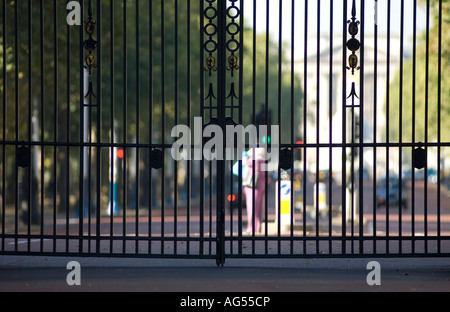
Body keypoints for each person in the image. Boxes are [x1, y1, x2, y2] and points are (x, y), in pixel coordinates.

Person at [243, 148, 266, 234]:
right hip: (260, 184)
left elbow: (243, 162)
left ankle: (251, 227)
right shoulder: (262, 161)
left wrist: (246, 155)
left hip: (252, 186)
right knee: (259, 207)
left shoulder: (254, 161)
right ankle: (258, 227)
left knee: (251, 207)